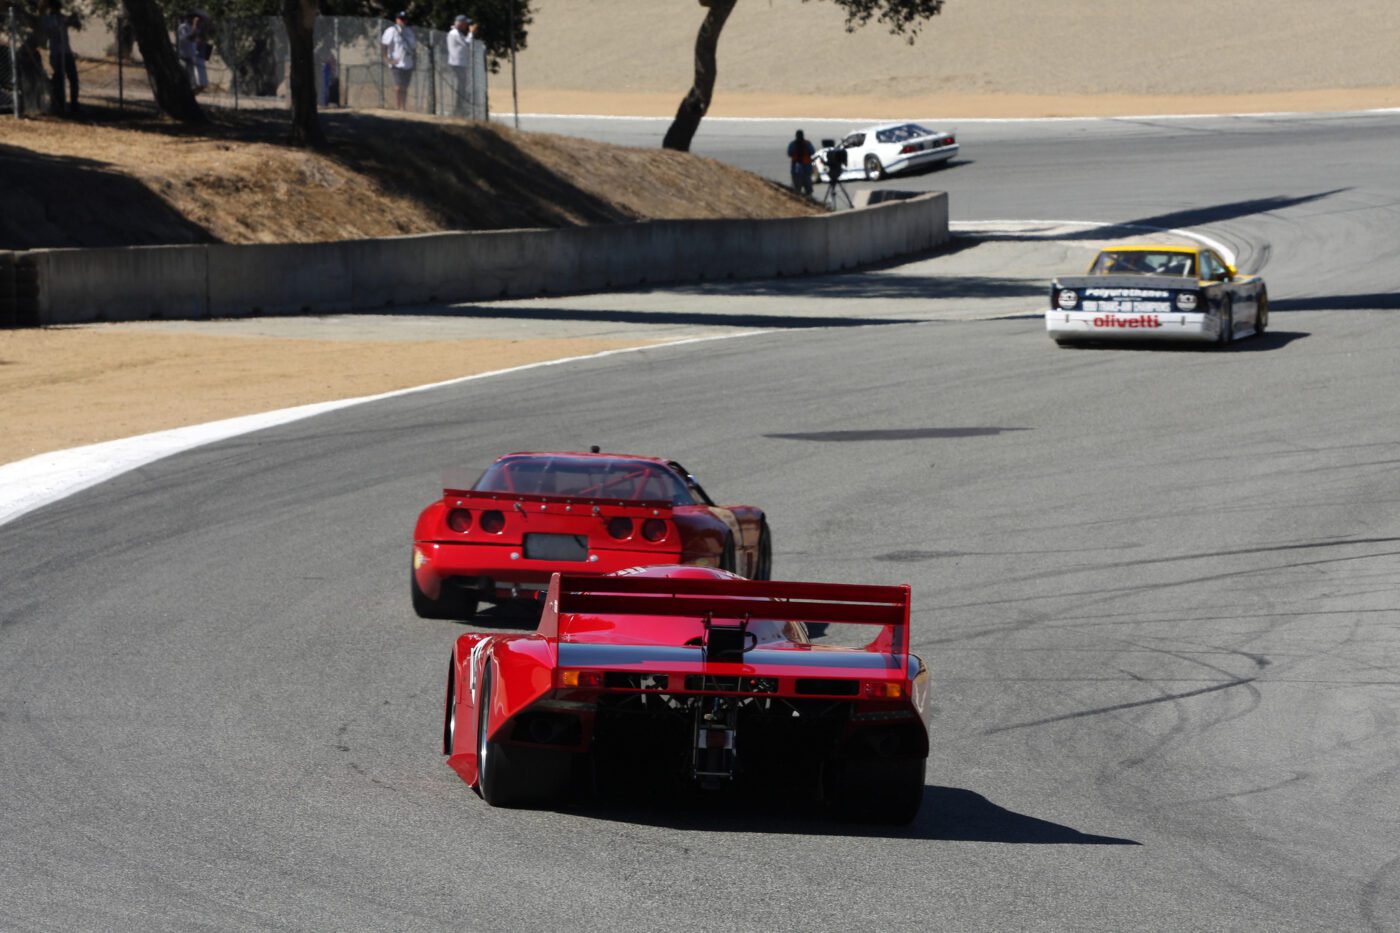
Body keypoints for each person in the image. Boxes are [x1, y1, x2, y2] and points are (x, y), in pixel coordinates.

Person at [41, 0, 80, 115]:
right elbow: (51, 29)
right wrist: (65, 21)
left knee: (73, 79)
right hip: (56, 53)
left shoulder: (63, 18)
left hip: (66, 53)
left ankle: (74, 105)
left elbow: (76, 25)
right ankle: (58, 104)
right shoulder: (48, 20)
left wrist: (73, 19)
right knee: (58, 79)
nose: (57, 11)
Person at [381, 11, 417, 111]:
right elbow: (384, 45)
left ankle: (403, 107)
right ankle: (397, 107)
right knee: (398, 86)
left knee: (405, 87)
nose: (403, 21)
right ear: (397, 20)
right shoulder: (391, 31)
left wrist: (414, 61)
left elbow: (413, 48)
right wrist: (388, 59)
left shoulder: (409, 31)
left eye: (404, 19)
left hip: (408, 62)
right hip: (396, 63)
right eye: (401, 19)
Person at [445, 15, 477, 118]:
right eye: (465, 24)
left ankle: (460, 109)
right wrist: (471, 33)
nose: (466, 26)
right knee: (460, 88)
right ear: (460, 23)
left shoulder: (458, 33)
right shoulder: (454, 34)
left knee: (462, 88)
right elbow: (467, 44)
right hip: (457, 64)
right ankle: (458, 109)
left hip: (461, 64)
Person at [176, 13, 208, 94]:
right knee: (185, 81)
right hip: (184, 57)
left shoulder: (194, 28)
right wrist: (195, 25)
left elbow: (197, 40)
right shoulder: (183, 27)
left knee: (195, 84)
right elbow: (190, 37)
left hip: (192, 57)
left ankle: (189, 96)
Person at [787, 129, 815, 196]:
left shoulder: (795, 144)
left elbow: (789, 153)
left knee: (806, 189)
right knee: (799, 189)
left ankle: (806, 200)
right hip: (800, 170)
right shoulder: (806, 143)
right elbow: (812, 151)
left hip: (804, 170)